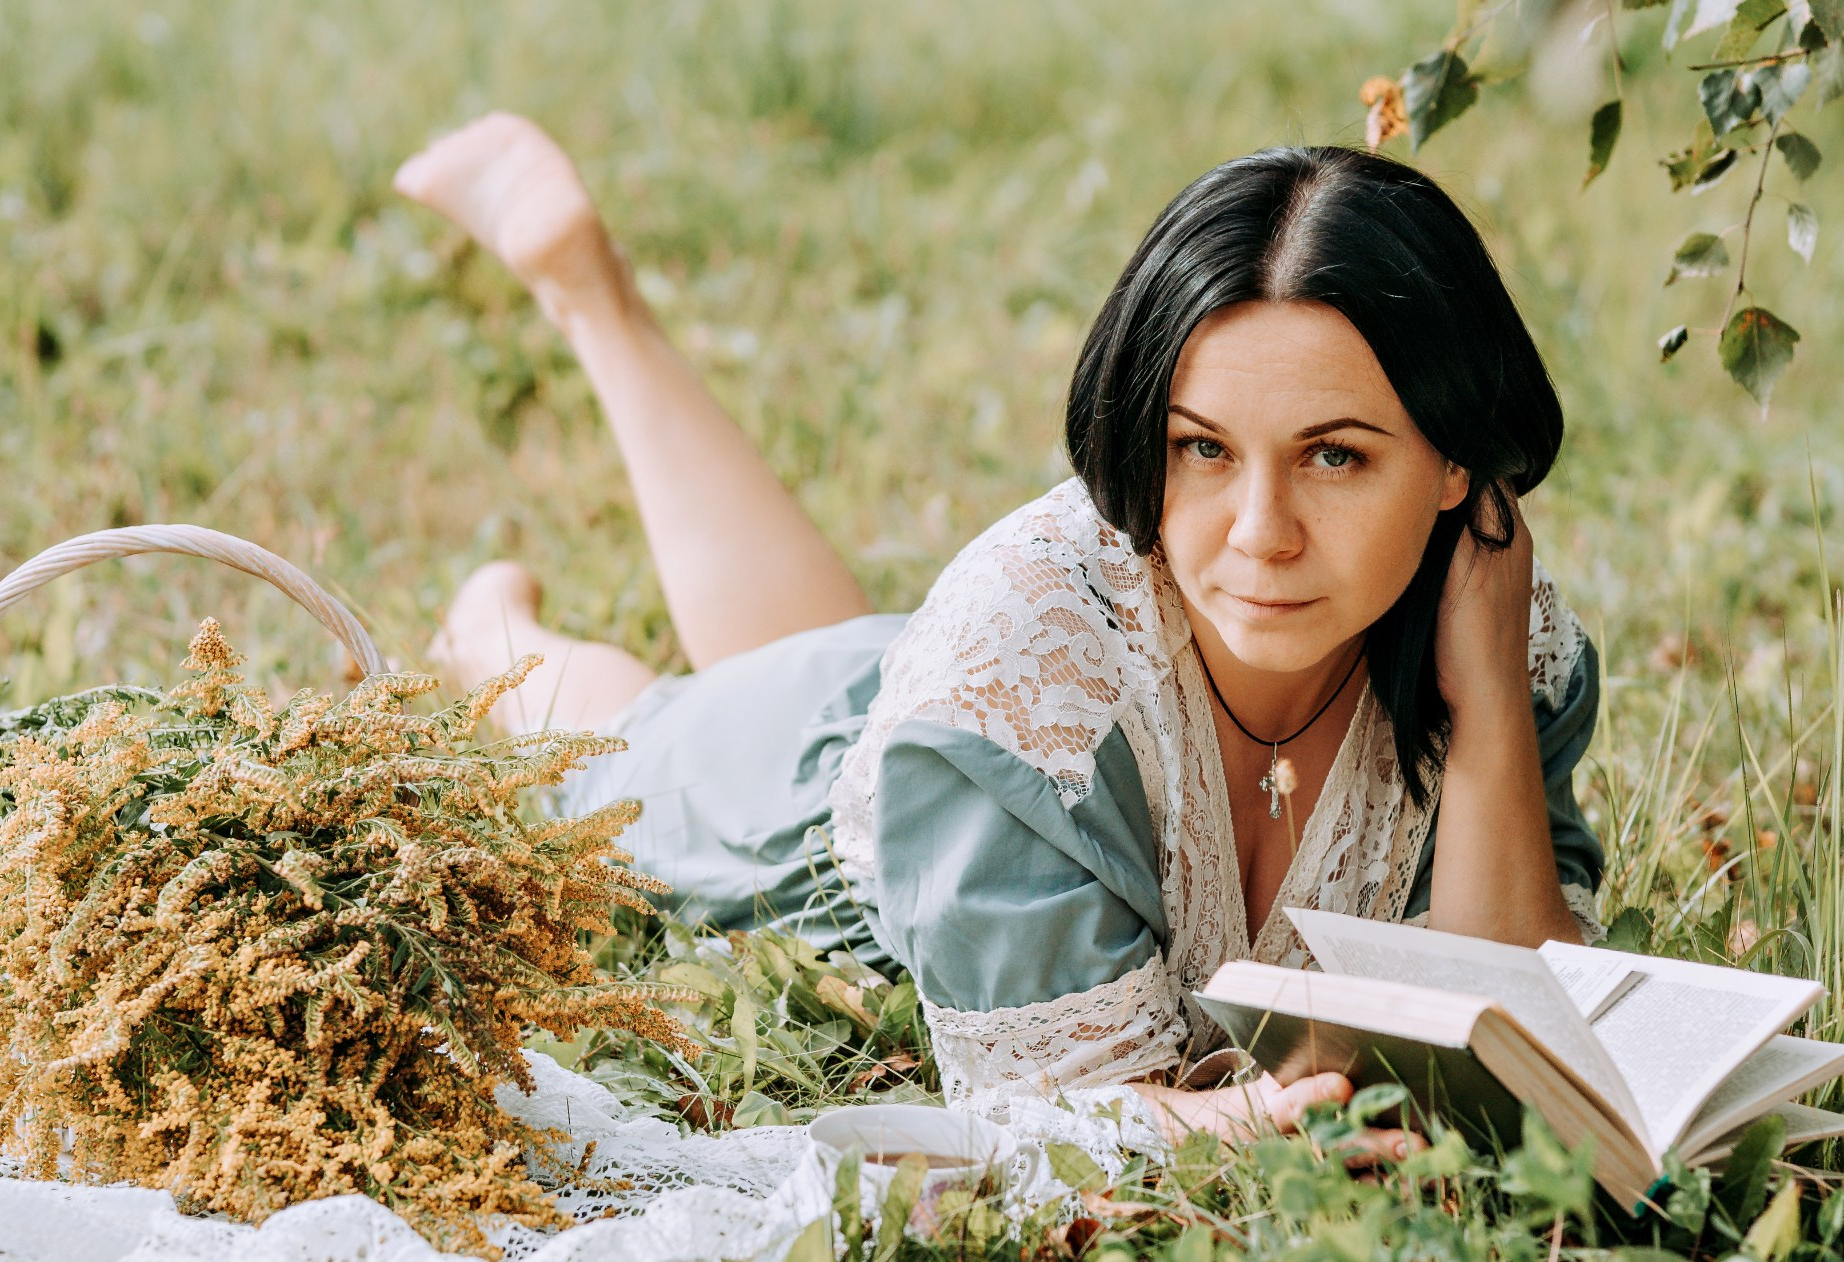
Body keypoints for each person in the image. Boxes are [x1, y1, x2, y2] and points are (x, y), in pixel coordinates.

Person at [394, 115, 1603, 1157]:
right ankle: (493, 610)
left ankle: (589, 296)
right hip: (822, 805)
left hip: (971, 692)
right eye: (1201, 448)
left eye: (1333, 456)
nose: (1259, 534)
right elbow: (1058, 1122)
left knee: (842, 652)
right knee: (631, 736)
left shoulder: (1491, 633)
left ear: (1455, 464)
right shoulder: (1004, 689)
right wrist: (1230, 1129)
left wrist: (1487, 699)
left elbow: (1524, 1031)